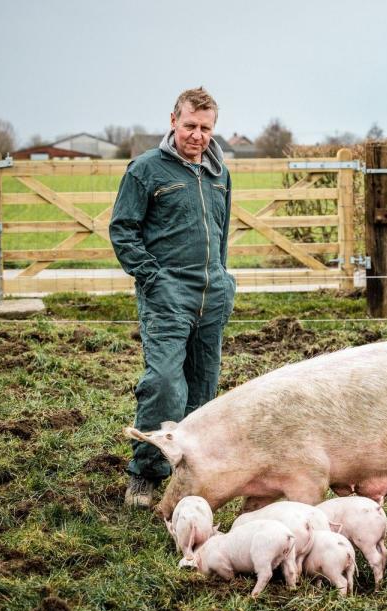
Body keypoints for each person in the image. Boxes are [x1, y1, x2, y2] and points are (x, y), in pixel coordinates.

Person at [110, 87, 235, 508]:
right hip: (167, 295)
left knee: (204, 390)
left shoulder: (219, 174)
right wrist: (153, 278)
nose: (197, 136)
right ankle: (146, 474)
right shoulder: (146, 170)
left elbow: (220, 235)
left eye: (206, 128)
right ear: (172, 121)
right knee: (164, 384)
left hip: (211, 294)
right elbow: (122, 230)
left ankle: (194, 476)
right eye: (190, 126)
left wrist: (222, 279)